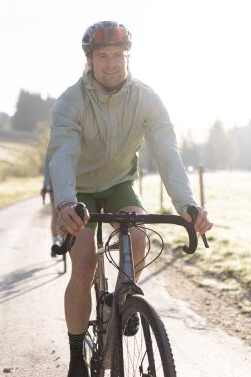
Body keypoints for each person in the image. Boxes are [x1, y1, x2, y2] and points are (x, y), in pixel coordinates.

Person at [47, 20, 213, 377]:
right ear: (90, 60)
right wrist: (64, 203)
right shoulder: (70, 102)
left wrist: (185, 204)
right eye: (103, 56)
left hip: (120, 183)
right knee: (84, 264)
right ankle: (77, 354)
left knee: (138, 237)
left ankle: (122, 299)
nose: (112, 63)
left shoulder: (147, 99)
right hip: (79, 191)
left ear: (128, 57)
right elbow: (61, 154)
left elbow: (168, 155)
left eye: (119, 55)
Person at [40, 158, 61, 256]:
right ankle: (54, 242)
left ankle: (54, 242)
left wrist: (45, 187)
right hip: (67, 184)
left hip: (54, 185)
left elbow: (47, 171)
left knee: (55, 214)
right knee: (56, 213)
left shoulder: (52, 148)